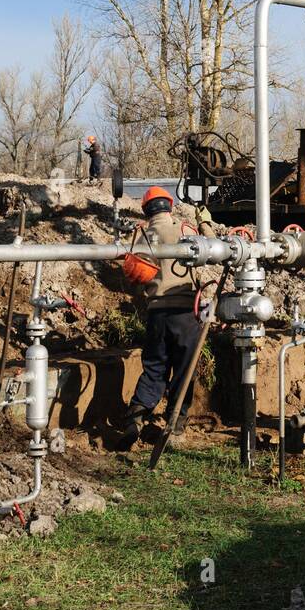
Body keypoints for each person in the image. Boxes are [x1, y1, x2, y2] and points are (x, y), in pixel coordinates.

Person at [117, 186, 210, 449]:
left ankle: (135, 417)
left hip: (157, 312)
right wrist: (205, 222)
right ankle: (175, 423)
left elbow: (133, 270)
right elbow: (214, 249)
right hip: (185, 311)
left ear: (146, 210)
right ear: (169, 206)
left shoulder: (143, 235)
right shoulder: (185, 230)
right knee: (184, 369)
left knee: (155, 366)